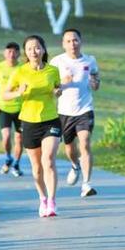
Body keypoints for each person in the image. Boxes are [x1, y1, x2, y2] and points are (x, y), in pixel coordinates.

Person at [4, 35, 62, 217]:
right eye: (29, 49)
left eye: (37, 48)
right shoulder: (20, 72)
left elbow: (56, 87)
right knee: (37, 168)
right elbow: (5, 95)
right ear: (26, 53)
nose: (33, 51)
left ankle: (52, 202)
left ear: (43, 50)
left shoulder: (53, 70)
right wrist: (18, 93)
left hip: (50, 120)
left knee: (49, 160)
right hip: (28, 122)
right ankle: (43, 198)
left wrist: (57, 91)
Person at [50, 28, 100, 197]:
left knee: (85, 142)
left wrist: (94, 82)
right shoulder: (56, 62)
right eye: (69, 41)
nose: (73, 44)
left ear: (81, 41)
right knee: (69, 148)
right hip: (64, 112)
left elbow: (96, 84)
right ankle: (74, 165)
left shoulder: (90, 60)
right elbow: (52, 90)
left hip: (85, 109)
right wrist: (62, 84)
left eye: (75, 40)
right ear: (63, 44)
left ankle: (86, 184)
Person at [0, 42, 24, 177]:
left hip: (21, 108)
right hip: (4, 107)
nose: (12, 55)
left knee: (19, 138)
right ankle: (8, 157)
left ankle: (17, 164)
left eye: (14, 52)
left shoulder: (23, 68)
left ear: (19, 53)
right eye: (9, 52)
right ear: (4, 53)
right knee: (6, 136)